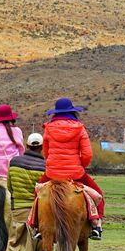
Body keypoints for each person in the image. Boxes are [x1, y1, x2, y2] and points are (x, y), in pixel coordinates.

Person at [37, 98, 104, 240]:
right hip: (76, 173)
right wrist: (80, 166)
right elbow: (87, 154)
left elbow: (46, 152)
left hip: (52, 173)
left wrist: (53, 164)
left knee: (37, 193)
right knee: (98, 194)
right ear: (72, 111)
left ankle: (37, 225)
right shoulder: (80, 128)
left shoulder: (48, 128)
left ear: (56, 113)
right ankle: (96, 225)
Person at [5, 133, 45, 251]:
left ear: (26, 146)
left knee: (15, 240)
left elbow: (9, 186)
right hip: (36, 212)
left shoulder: (14, 162)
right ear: (41, 148)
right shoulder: (45, 166)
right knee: (35, 245)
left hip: (18, 209)